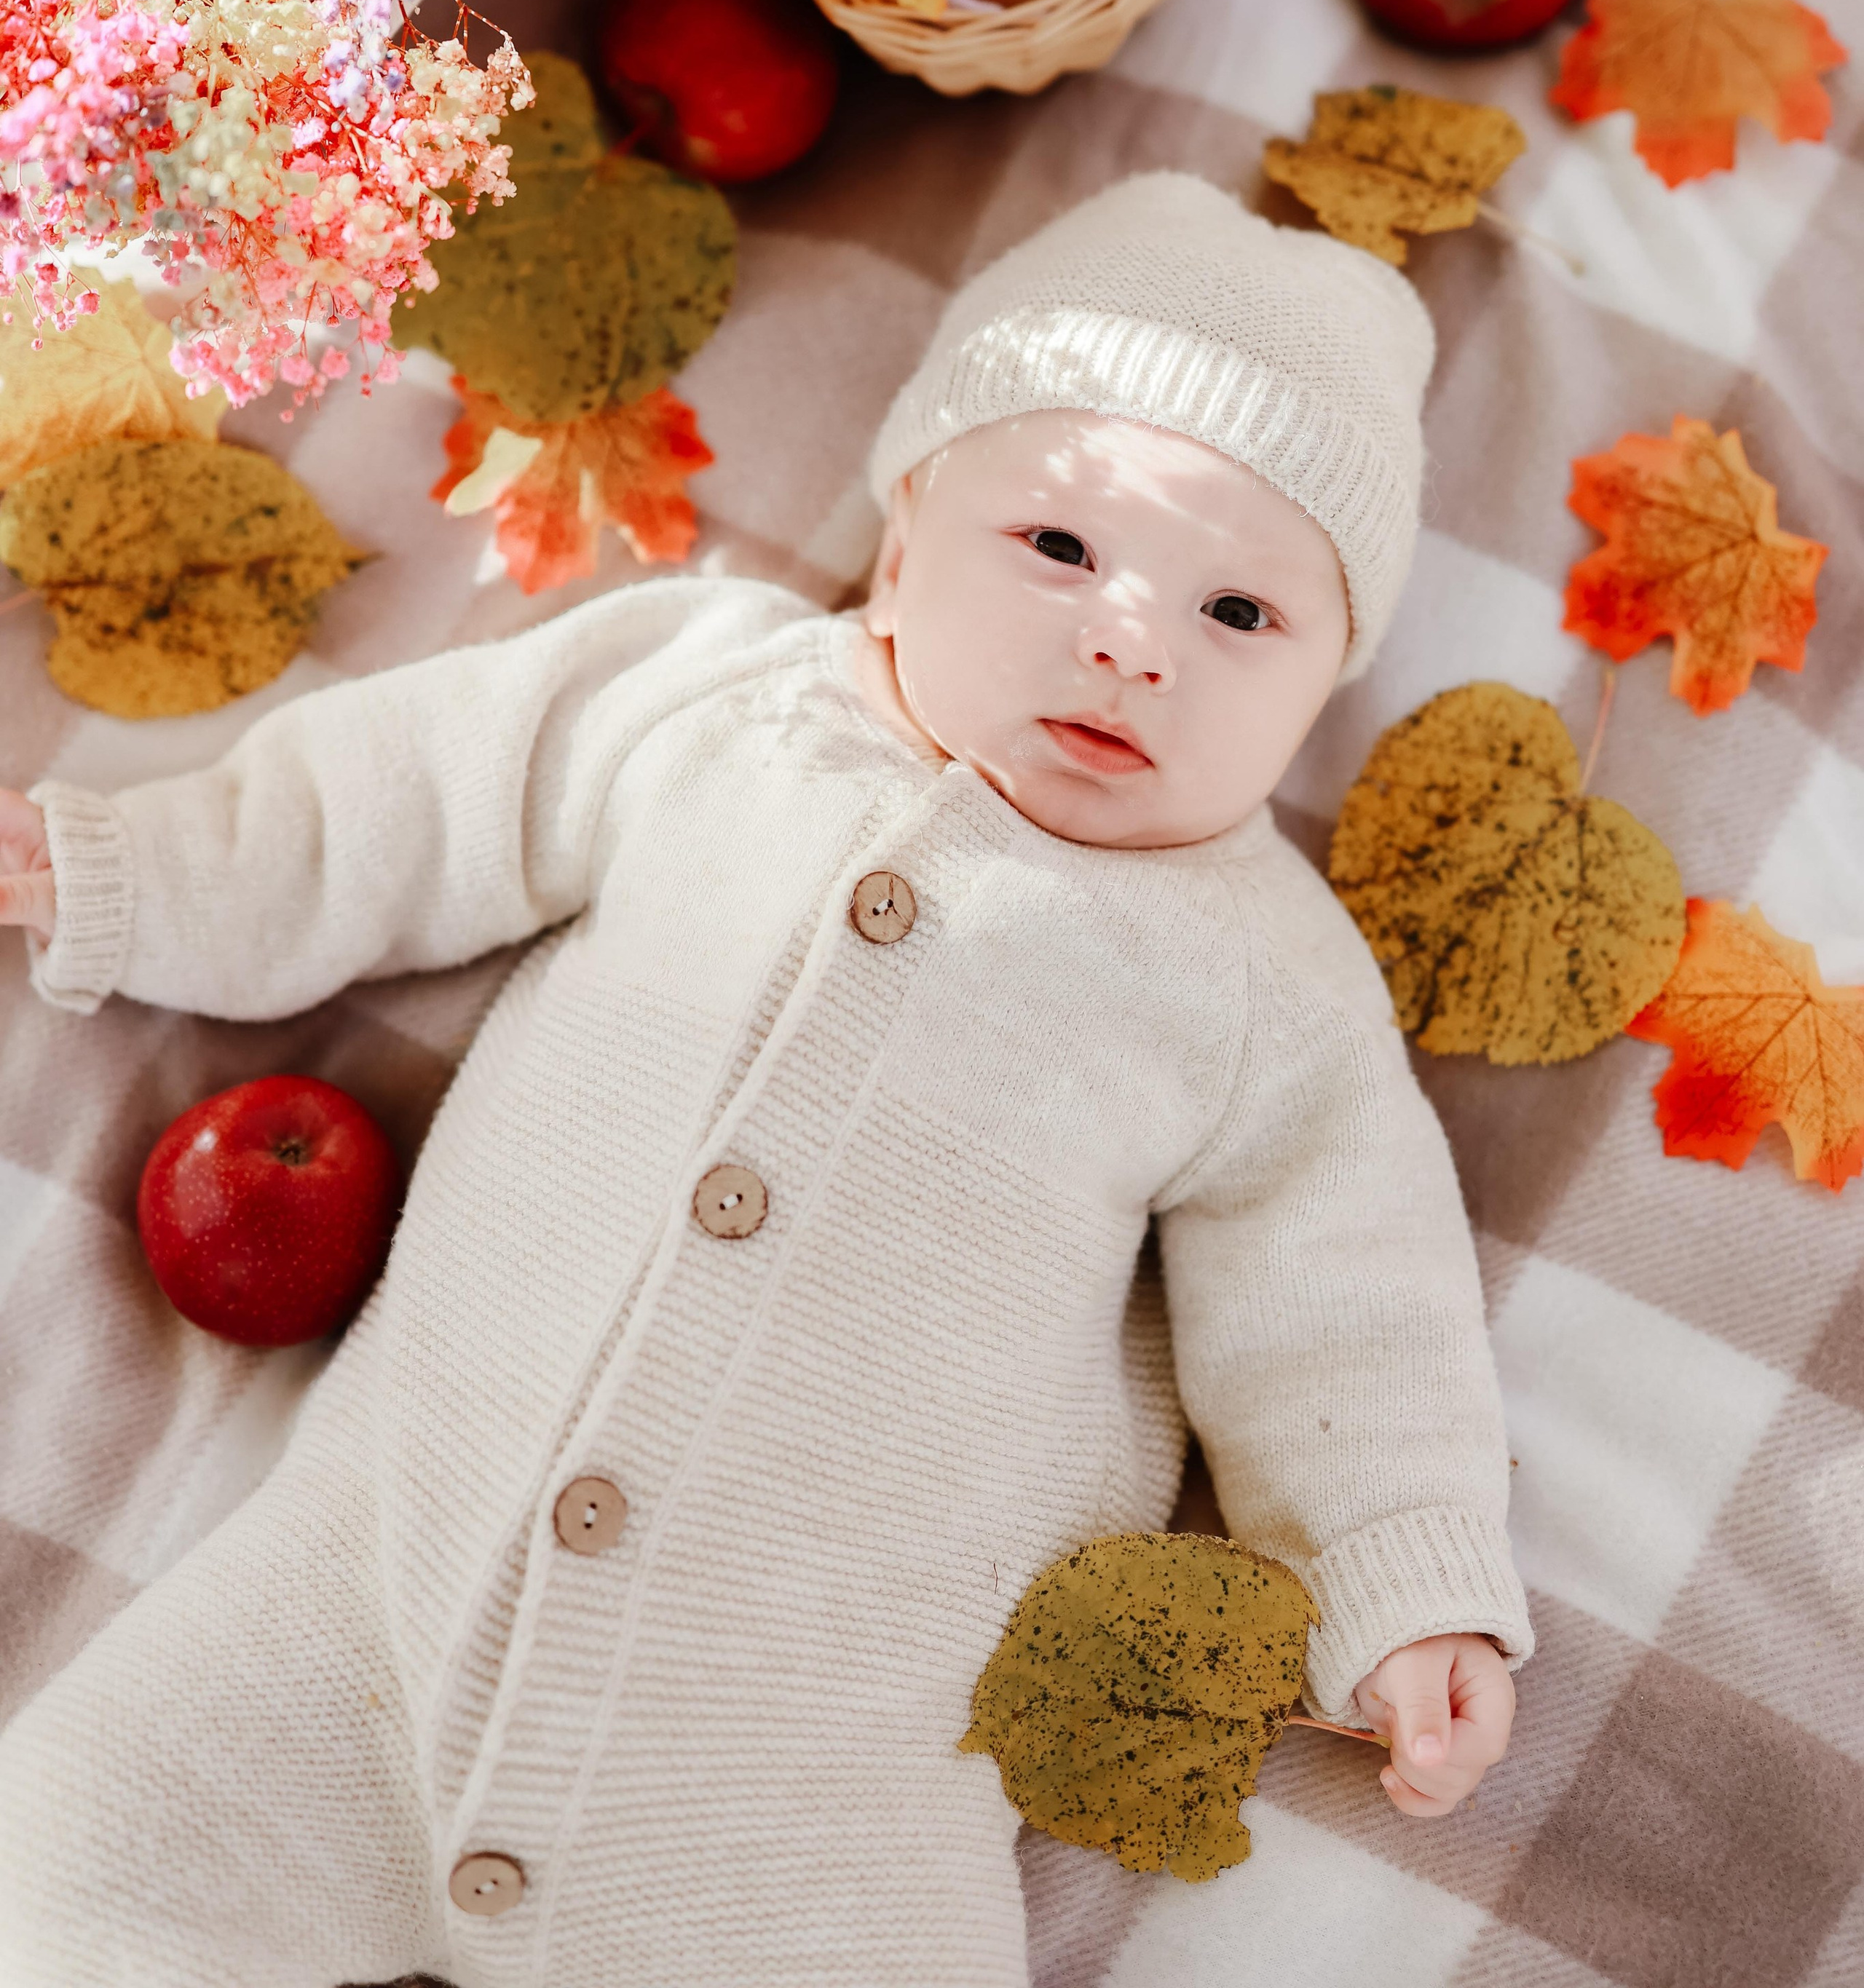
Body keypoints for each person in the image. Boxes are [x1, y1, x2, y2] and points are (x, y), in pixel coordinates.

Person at [0, 173, 1530, 1988]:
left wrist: (1404, 1575)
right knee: (71, 1861)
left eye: (1240, 617)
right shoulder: (719, 697)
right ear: (902, 535)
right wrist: (139, 875)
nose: (1132, 638)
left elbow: (1346, 1294)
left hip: (799, 1758)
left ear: (1313, 700)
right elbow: (421, 794)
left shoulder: (1261, 974)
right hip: (369, 1601)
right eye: (1058, 548)